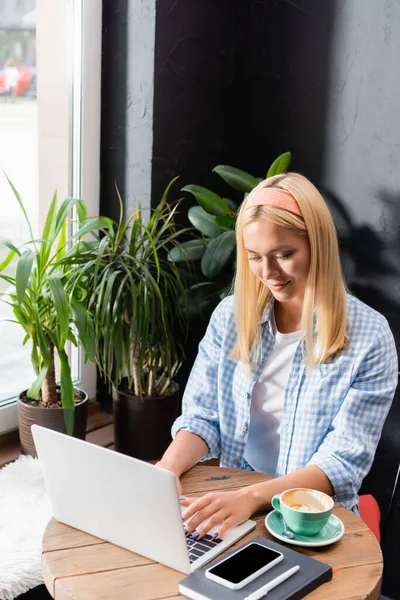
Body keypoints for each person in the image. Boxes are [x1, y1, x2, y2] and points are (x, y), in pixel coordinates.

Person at [156, 172, 398, 540]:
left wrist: (249, 498)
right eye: (254, 257)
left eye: (284, 255)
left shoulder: (370, 336)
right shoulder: (230, 316)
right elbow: (203, 416)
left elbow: (340, 463)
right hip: (236, 494)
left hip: (307, 518)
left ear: (317, 244)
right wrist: (166, 471)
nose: (268, 273)